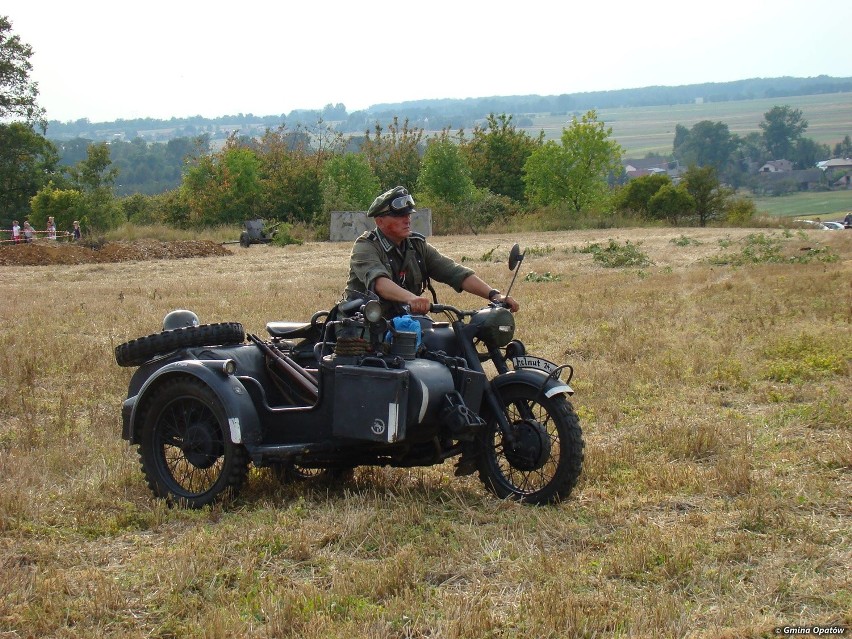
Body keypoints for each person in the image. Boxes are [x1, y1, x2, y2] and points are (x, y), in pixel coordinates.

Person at [344, 186, 519, 319]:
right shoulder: (366, 246)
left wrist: (494, 295)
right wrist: (412, 299)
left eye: (408, 215)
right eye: (399, 216)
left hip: (404, 321)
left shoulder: (416, 246)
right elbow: (380, 283)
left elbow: (454, 272)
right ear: (380, 221)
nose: (407, 219)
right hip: (364, 324)